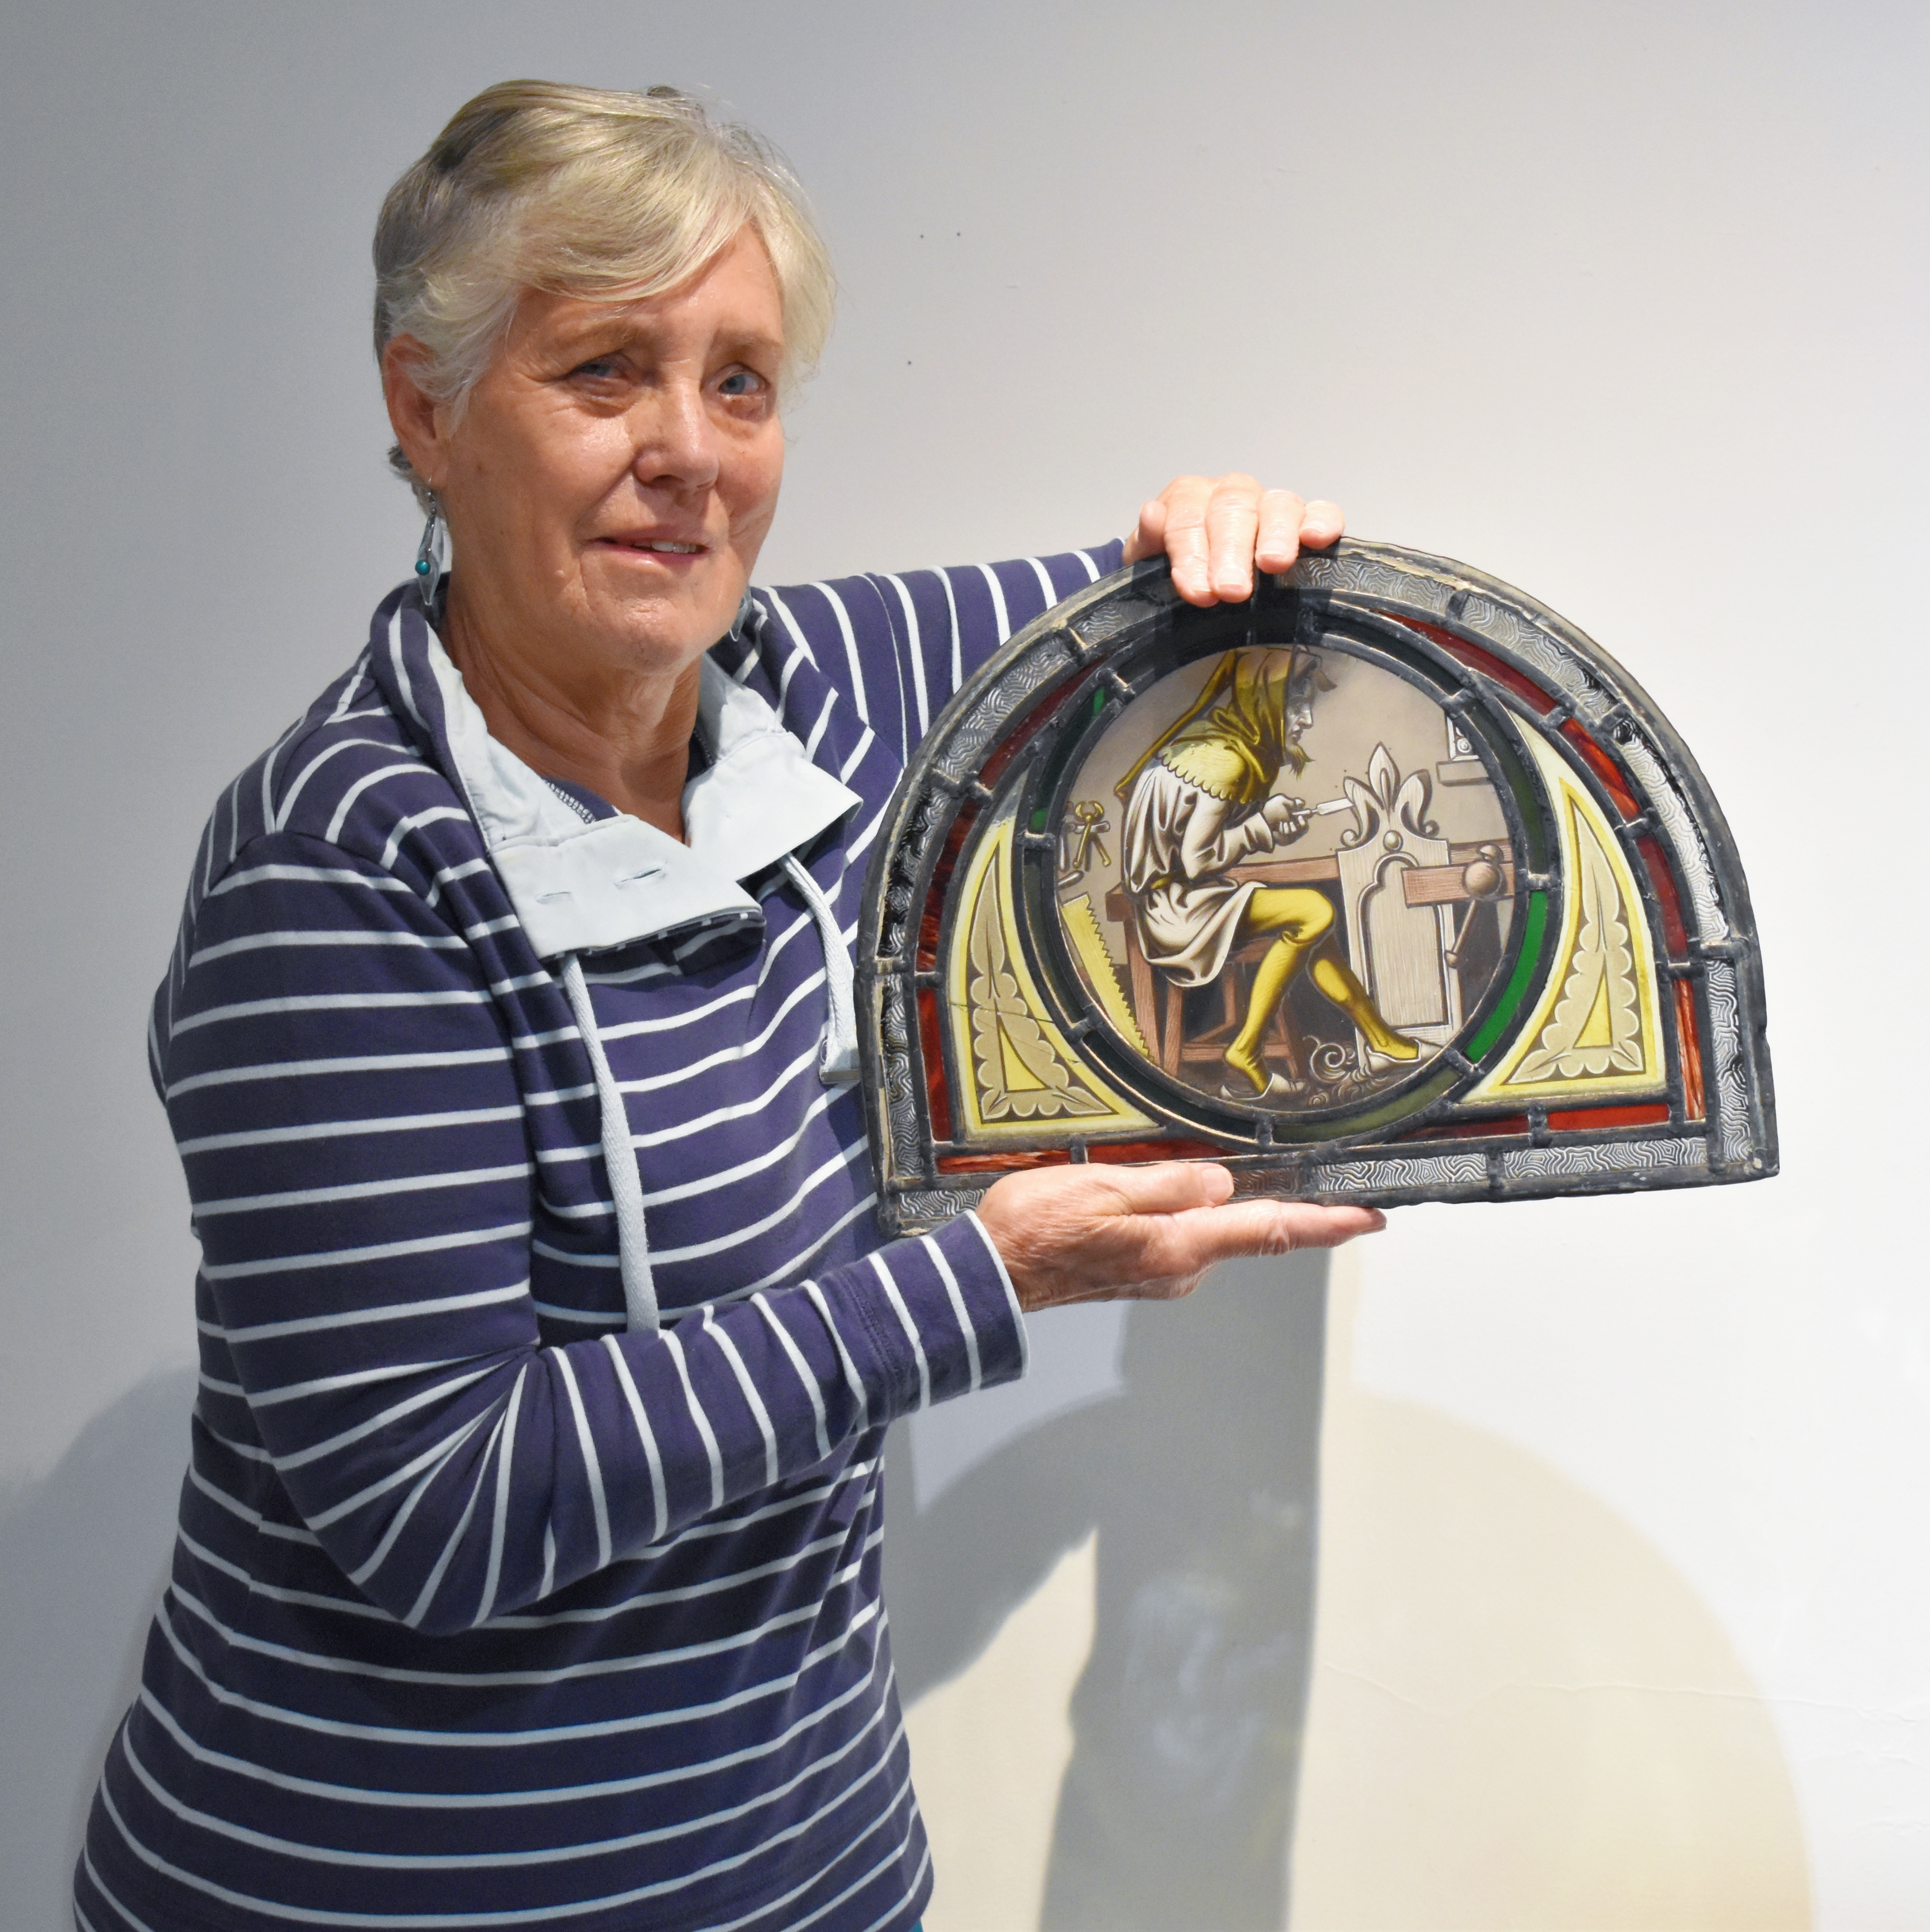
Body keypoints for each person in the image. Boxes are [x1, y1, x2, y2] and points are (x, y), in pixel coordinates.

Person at [74, 80, 1384, 1932]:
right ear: (422, 409)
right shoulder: (342, 867)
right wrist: (985, 1279)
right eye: (604, 370)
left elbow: (1226, 627)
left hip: (810, 1877)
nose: (689, 450)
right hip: (386, 1893)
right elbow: (438, 1505)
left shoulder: (822, 681)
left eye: (742, 381)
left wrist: (1229, 531)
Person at [1118, 645, 1419, 1097]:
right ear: (1266, 703)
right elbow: (1198, 861)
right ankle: (1246, 1050)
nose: (1307, 721)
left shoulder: (1210, 743)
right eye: (1297, 706)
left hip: (1184, 897)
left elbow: (1196, 846)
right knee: (1315, 911)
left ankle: (1382, 1043)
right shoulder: (1225, 761)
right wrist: (1261, 828)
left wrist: (1270, 825)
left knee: (1314, 928)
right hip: (1175, 911)